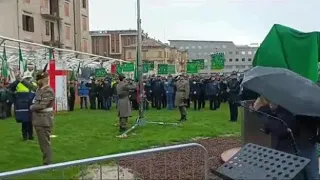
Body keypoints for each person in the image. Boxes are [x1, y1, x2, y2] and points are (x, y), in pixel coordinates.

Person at [19, 70, 55, 165]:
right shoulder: (40, 89)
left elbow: (42, 105)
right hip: (39, 121)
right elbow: (31, 86)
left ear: (42, 80)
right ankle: (47, 162)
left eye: (37, 79)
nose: (36, 81)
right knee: (42, 144)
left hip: (44, 121)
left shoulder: (48, 91)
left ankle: (47, 163)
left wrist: (31, 107)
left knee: (45, 144)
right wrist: (21, 80)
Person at [9, 72, 37, 140]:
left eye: (28, 78)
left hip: (30, 104)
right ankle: (25, 136)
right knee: (24, 120)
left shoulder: (33, 84)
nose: (28, 79)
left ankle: (30, 135)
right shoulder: (18, 83)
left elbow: (36, 92)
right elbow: (11, 89)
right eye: (26, 78)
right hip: (22, 104)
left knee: (30, 120)